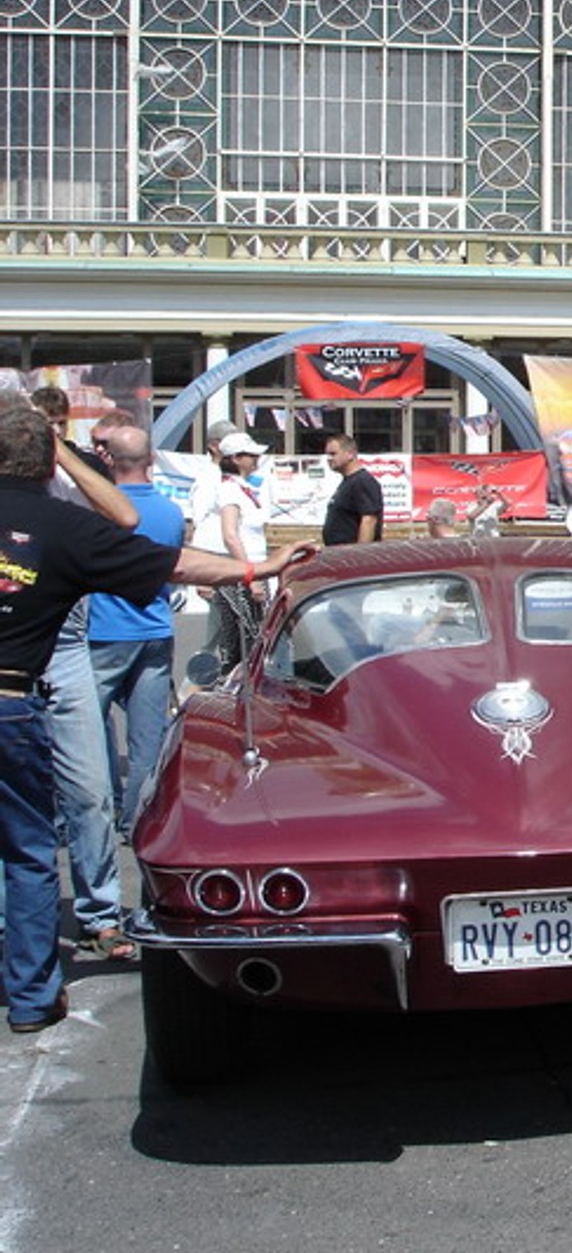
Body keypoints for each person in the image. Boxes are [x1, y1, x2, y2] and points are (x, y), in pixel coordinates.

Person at [0, 397, 315, 1033]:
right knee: (29, 851)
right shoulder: (58, 523)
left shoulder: (62, 522)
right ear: (48, 463)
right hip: (11, 701)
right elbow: (165, 559)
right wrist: (259, 568)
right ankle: (31, 998)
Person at [23, 387, 140, 964]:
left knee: (89, 789)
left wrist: (61, 453)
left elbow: (121, 513)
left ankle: (99, 911)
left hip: (69, 641)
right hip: (15, 638)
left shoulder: (76, 470)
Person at [86, 425, 185, 836]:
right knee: (148, 737)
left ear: (109, 459)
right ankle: (137, 820)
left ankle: (99, 812)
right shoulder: (170, 512)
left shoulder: (98, 511)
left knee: (90, 729)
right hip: (154, 628)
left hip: (105, 631)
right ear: (152, 461)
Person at [208, 431, 270, 669]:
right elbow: (230, 535)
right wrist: (250, 576)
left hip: (253, 568)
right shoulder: (229, 489)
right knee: (247, 639)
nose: (256, 459)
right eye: (250, 455)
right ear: (235, 458)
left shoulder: (241, 487)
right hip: (242, 573)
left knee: (253, 637)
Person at [322, 434, 383, 545]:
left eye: (333, 454)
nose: (329, 459)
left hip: (351, 556)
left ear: (350, 454)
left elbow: (369, 520)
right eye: (328, 455)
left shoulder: (363, 481)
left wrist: (359, 556)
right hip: (337, 552)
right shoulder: (348, 481)